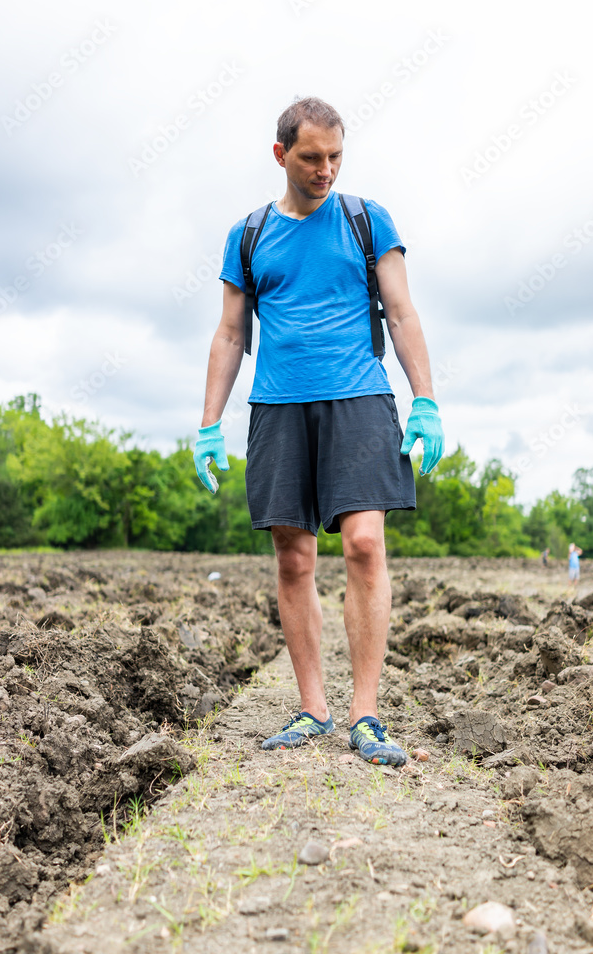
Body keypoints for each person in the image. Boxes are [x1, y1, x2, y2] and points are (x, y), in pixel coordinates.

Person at [193, 96, 444, 767]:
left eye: (335, 156)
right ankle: (313, 709)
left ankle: (365, 716)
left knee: (363, 545)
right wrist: (208, 425)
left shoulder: (367, 221)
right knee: (293, 556)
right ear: (281, 156)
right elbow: (227, 333)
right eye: (311, 158)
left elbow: (401, 311)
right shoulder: (247, 235)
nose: (325, 169)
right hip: (278, 405)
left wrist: (425, 400)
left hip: (359, 399)